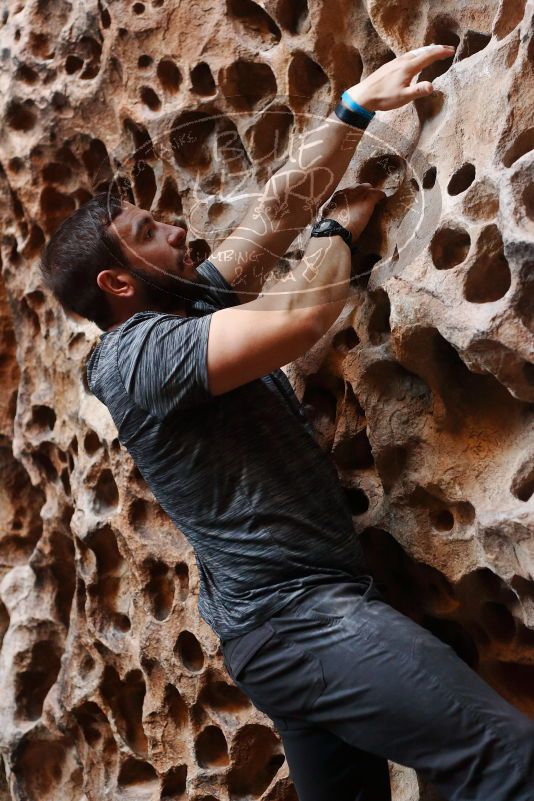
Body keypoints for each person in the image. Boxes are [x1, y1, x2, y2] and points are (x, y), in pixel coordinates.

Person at [39, 45, 534, 800]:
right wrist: (336, 235)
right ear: (118, 281)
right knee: (506, 759)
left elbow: (273, 213)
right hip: (302, 622)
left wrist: (356, 107)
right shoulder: (135, 357)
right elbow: (299, 318)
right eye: (148, 228)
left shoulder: (187, 302)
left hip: (286, 632)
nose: (173, 225)